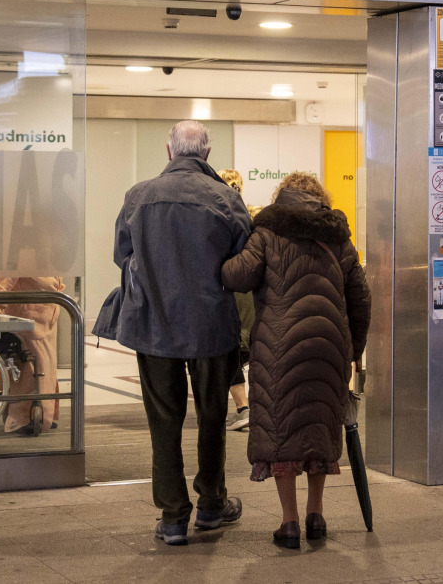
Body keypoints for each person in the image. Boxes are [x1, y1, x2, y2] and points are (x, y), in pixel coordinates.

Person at [110, 120, 251, 546]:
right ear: (206, 154)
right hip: (211, 325)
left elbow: (122, 254)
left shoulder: (139, 196)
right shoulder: (226, 199)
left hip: (153, 324)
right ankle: (211, 505)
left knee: (164, 419)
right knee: (212, 416)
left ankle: (173, 517)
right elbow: (243, 262)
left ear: (170, 152)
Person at [222, 171, 371, 549]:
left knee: (280, 430)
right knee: (320, 425)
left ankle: (289, 523)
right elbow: (361, 297)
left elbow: (238, 276)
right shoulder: (339, 238)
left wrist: (221, 255)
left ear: (281, 198)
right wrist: (354, 350)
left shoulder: (267, 232)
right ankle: (315, 515)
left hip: (279, 347)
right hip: (329, 345)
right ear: (320, 199)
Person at [0, 276, 64, 435]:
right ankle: (21, 418)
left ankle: (40, 415)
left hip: (44, 314)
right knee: (28, 370)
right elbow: (3, 278)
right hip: (27, 316)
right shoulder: (20, 254)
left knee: (46, 368)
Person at [217, 168, 254, 432]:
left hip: (230, 297)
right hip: (250, 297)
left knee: (225, 356)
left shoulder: (219, 220)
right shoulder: (251, 219)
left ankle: (243, 408)